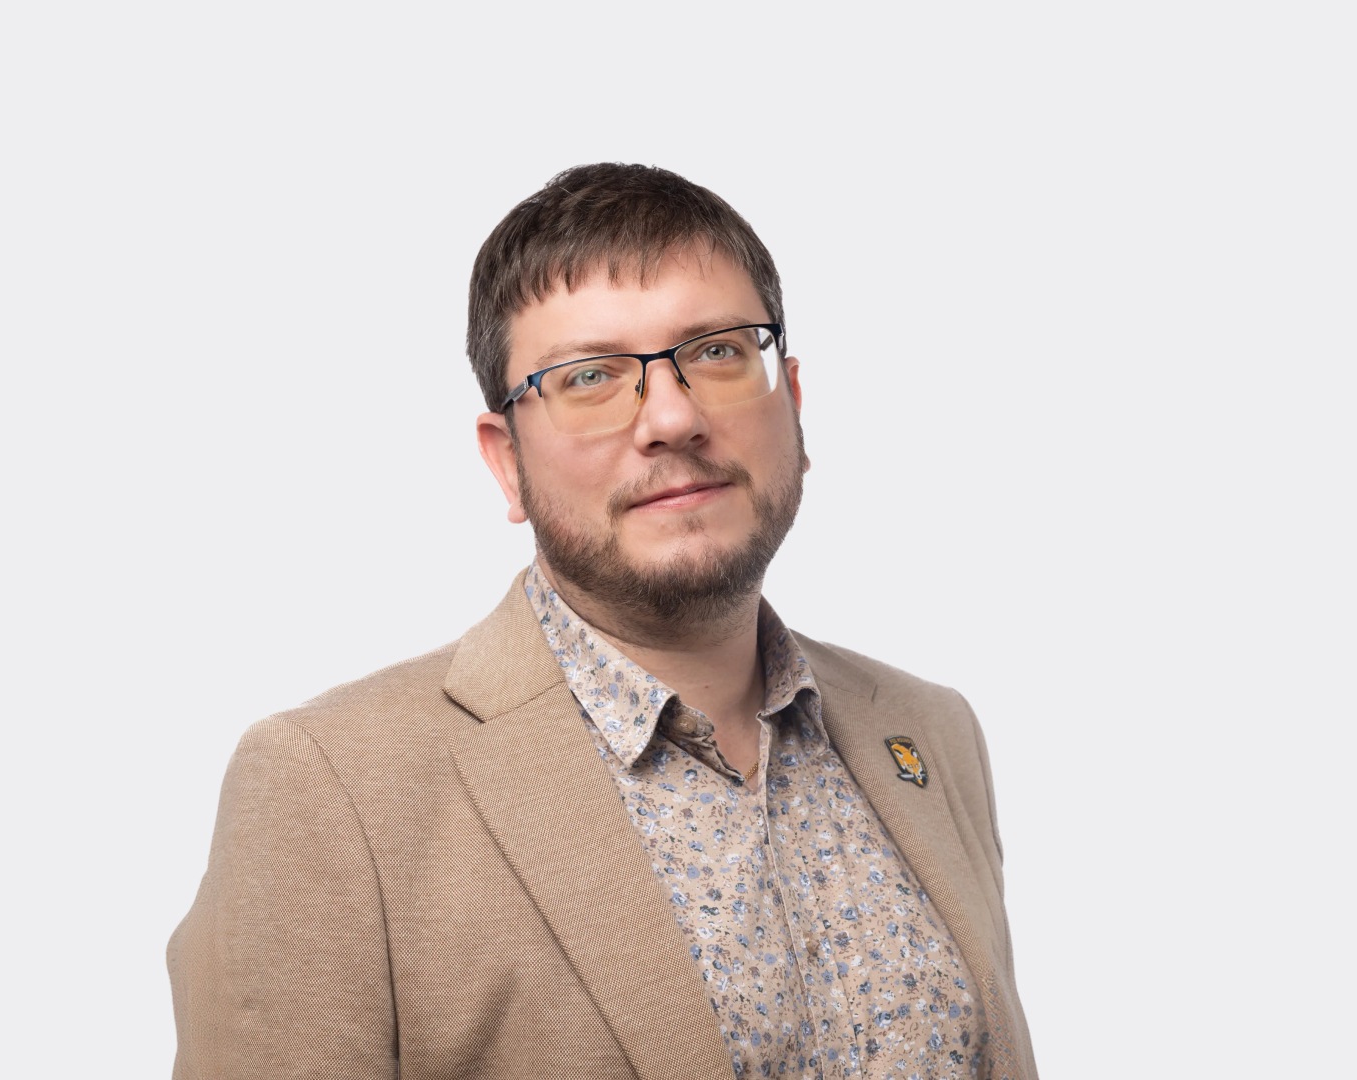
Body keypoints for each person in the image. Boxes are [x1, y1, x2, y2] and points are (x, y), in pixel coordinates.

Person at [167, 164, 1036, 1080]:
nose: (673, 416)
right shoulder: (330, 792)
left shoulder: (931, 732)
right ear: (507, 462)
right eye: (589, 376)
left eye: (717, 352)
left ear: (793, 402)